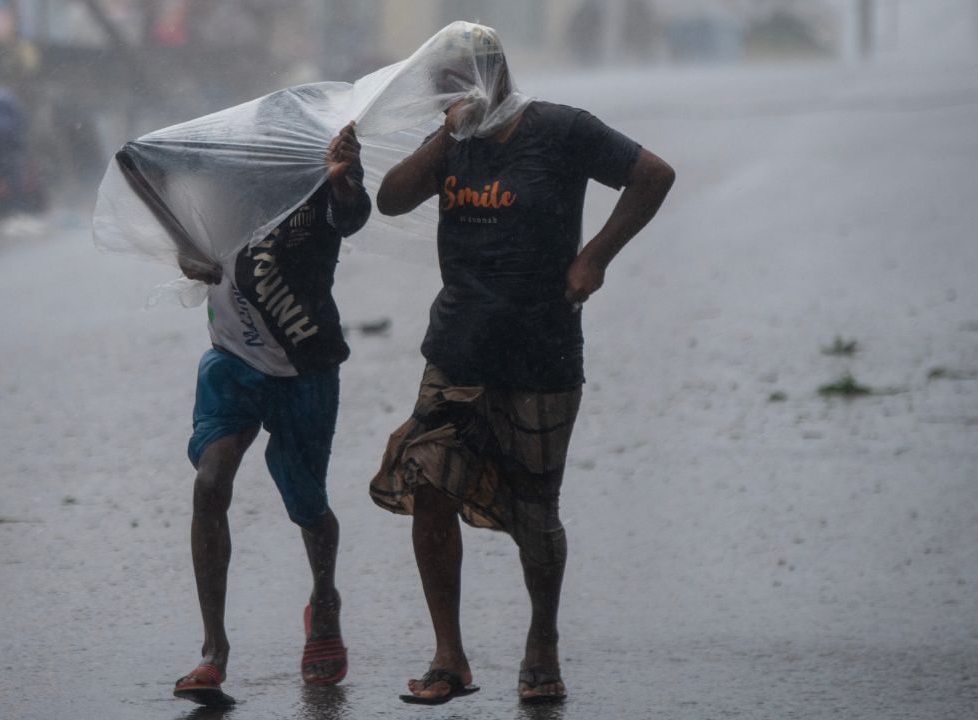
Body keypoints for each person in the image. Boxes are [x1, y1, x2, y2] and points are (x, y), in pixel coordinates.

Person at [370, 29, 675, 705]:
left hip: (541, 351)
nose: (447, 98)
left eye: (456, 84)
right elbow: (390, 200)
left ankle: (542, 642)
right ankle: (449, 656)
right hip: (457, 349)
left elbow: (653, 174)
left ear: (492, 77)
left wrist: (594, 257)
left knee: (535, 511)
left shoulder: (562, 130)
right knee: (429, 483)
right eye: (439, 89)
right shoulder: (455, 143)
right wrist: (446, 136)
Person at [172, 122, 368, 706]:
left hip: (305, 367)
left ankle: (325, 602)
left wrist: (344, 179)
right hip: (231, 361)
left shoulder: (323, 185)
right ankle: (214, 651)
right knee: (210, 486)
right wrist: (188, 256)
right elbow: (187, 243)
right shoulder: (217, 197)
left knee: (309, 508)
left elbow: (353, 215)